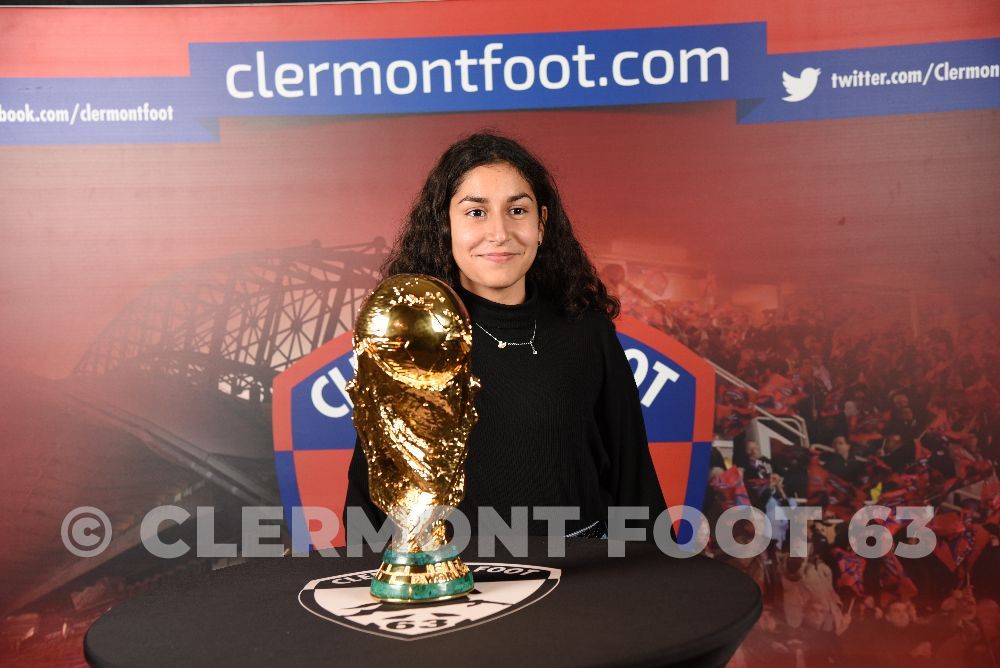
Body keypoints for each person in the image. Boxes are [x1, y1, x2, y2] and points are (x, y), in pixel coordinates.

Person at [345, 131, 667, 538]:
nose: (499, 232)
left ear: (542, 224)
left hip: (583, 579)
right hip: (458, 588)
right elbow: (371, 493)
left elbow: (633, 478)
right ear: (444, 225)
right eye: (476, 212)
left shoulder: (587, 333)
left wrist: (660, 585)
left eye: (517, 210)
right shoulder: (413, 339)